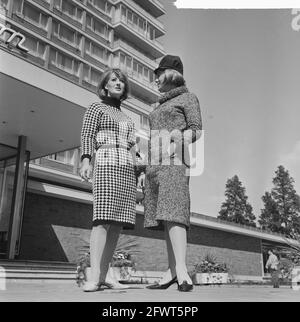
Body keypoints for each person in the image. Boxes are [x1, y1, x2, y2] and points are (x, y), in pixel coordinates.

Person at [144, 55, 202, 292]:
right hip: (154, 163)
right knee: (165, 216)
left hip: (176, 159)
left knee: (174, 211)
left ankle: (181, 270)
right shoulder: (156, 107)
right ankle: (171, 271)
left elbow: (196, 129)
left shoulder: (188, 98)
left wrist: (179, 138)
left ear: (171, 74)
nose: (155, 80)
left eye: (158, 75)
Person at [79, 68, 137, 292]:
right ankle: (94, 276)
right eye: (114, 80)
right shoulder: (96, 108)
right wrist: (86, 160)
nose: (119, 83)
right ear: (104, 85)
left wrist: (138, 173)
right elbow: (87, 135)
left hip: (125, 168)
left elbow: (132, 148)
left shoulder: (128, 119)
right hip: (105, 163)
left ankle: (105, 275)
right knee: (102, 219)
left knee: (116, 223)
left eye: (121, 80)